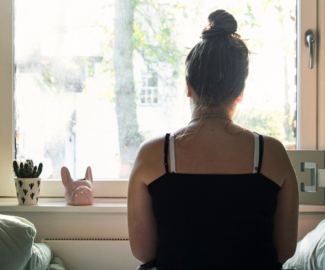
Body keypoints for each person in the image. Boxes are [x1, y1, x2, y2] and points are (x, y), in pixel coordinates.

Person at [127, 9, 299, 270]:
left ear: (188, 87)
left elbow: (143, 252)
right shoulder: (271, 152)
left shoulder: (153, 154)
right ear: (240, 91)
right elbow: (285, 250)